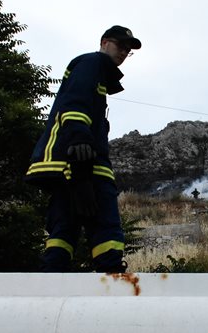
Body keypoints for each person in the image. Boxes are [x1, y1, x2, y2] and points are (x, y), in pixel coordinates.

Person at [25, 25, 141, 272]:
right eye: (120, 45)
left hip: (66, 168)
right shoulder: (92, 63)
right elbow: (75, 102)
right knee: (106, 223)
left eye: (128, 50)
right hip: (83, 162)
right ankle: (111, 278)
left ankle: (52, 279)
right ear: (104, 42)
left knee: (63, 226)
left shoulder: (97, 74)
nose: (123, 52)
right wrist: (79, 143)